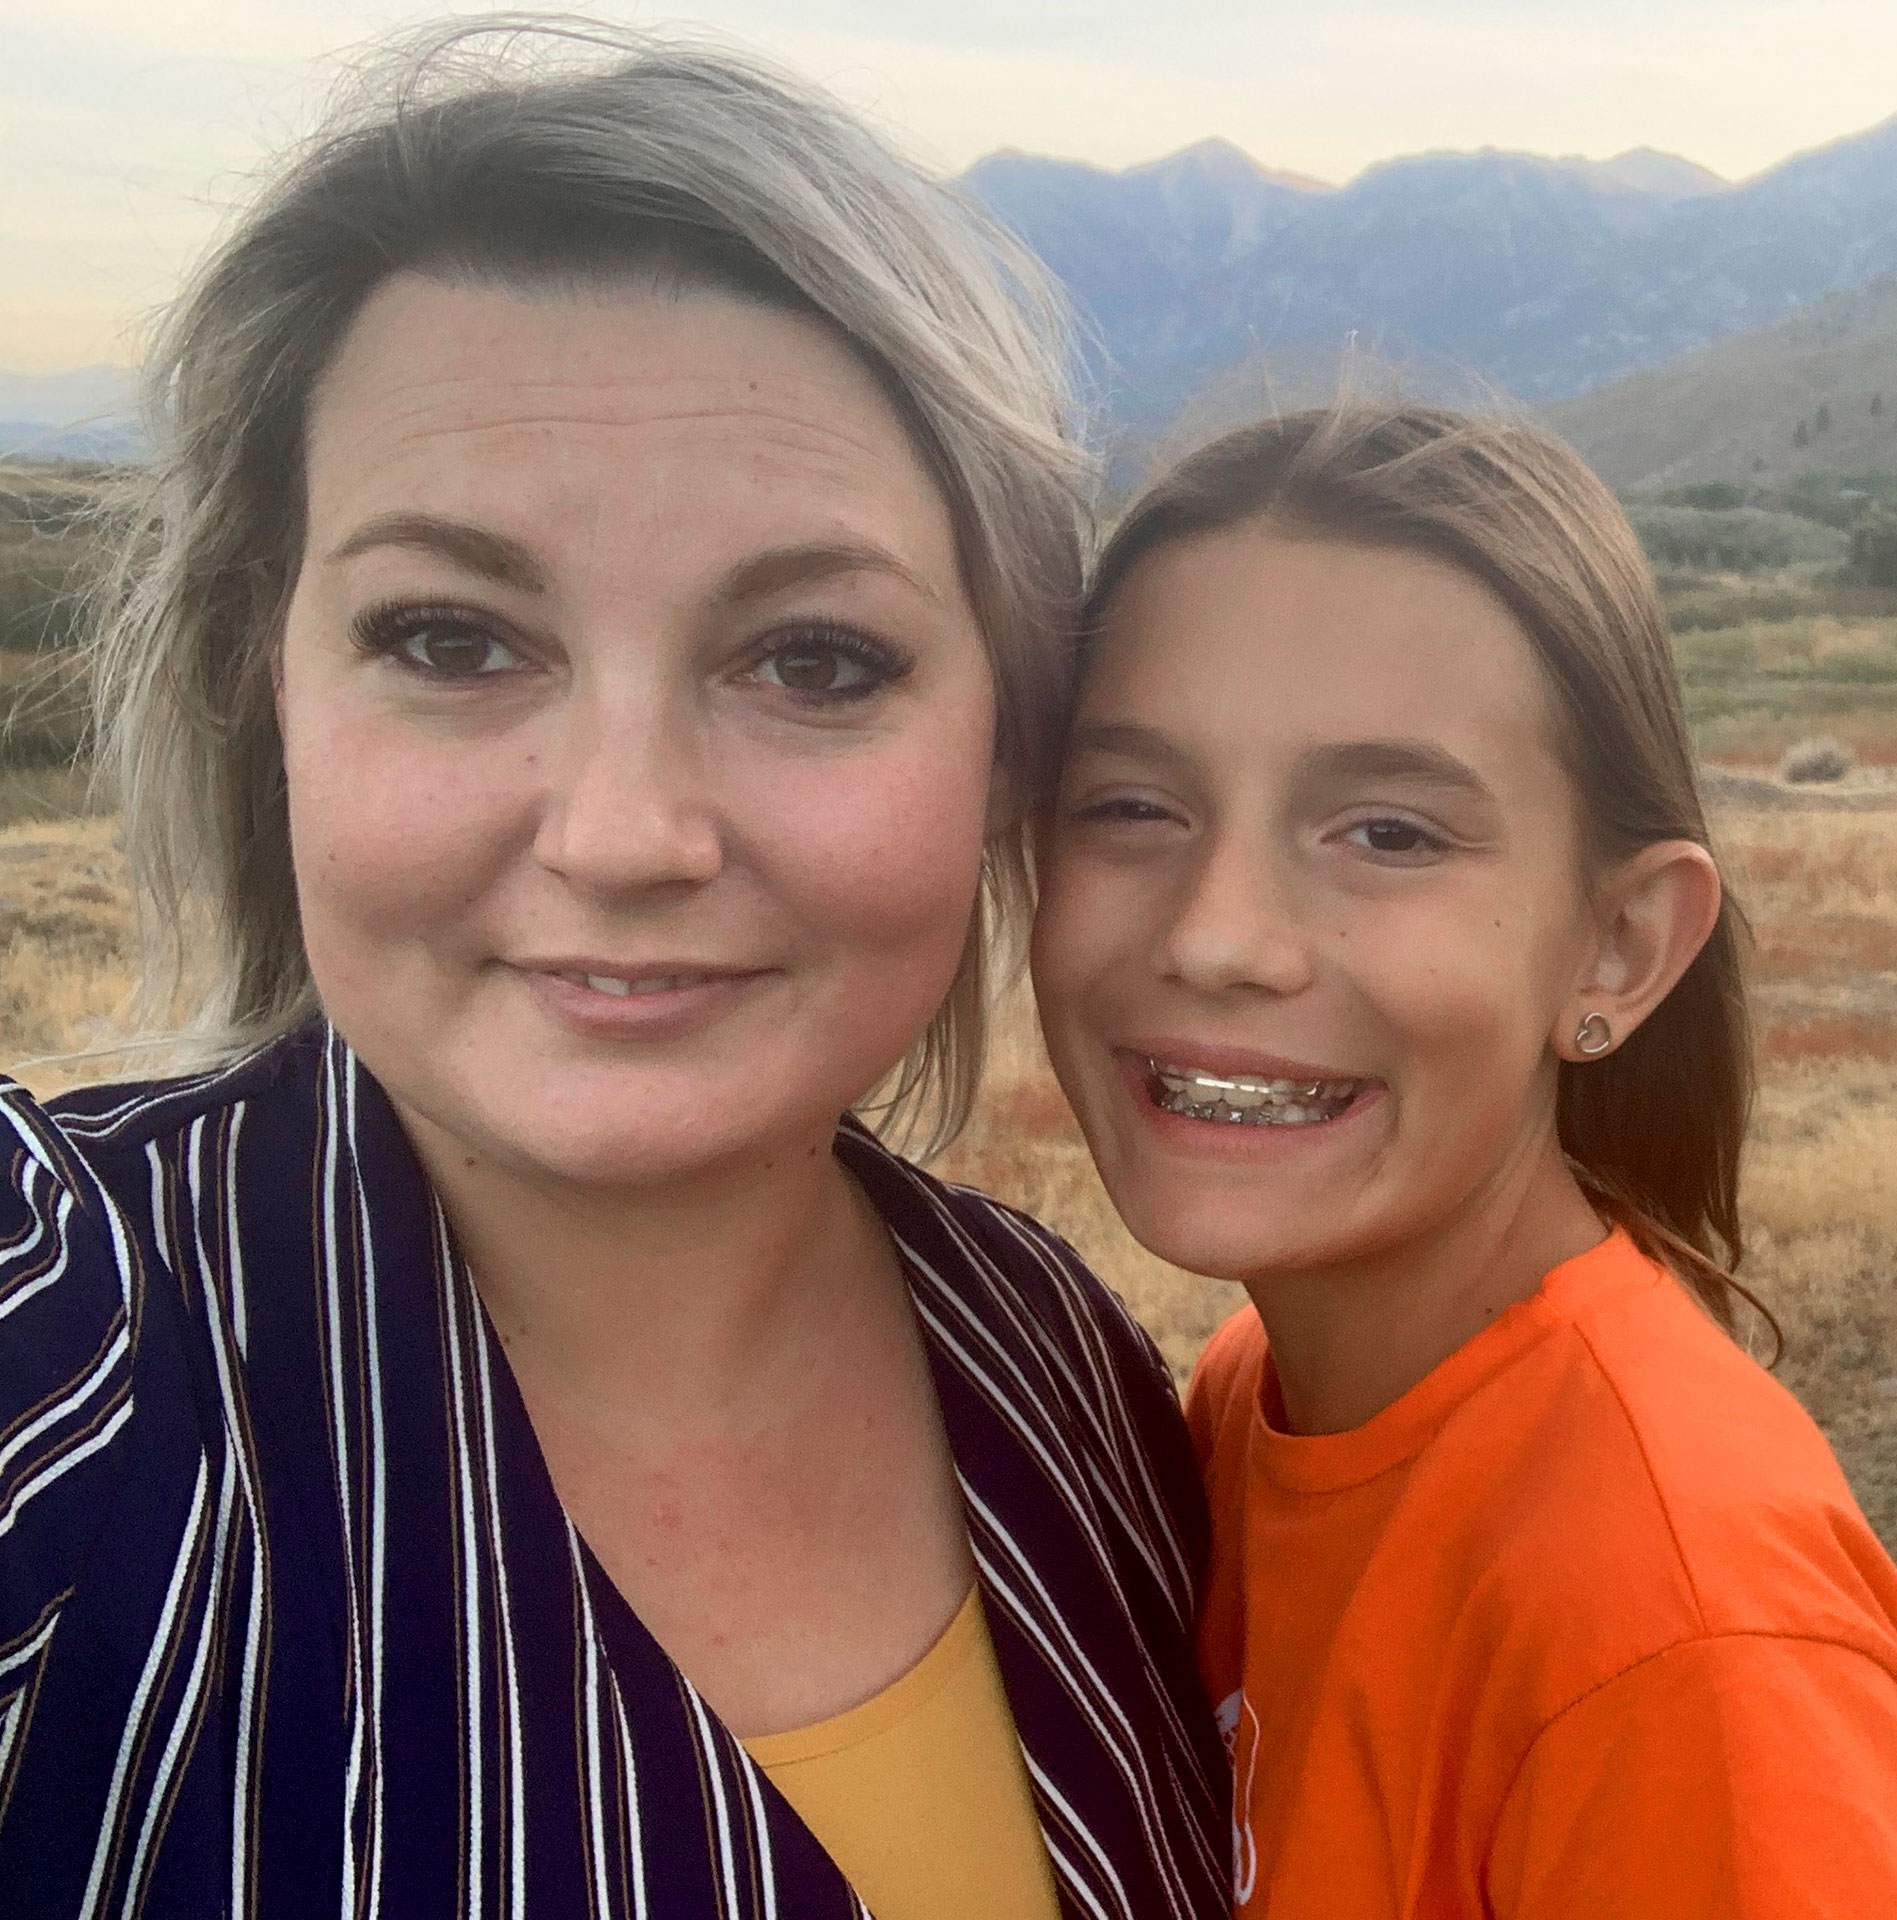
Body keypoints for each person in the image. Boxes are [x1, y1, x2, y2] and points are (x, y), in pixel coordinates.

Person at [0, 23, 1226, 1920]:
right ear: (274, 698)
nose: (626, 832)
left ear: (1005, 750)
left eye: (815, 660)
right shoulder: (53, 1348)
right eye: (450, 637)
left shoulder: (1070, 1371)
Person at [1031, 404, 1897, 1918]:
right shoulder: (1249, 1400)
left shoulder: (1681, 1649)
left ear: (1617, 944)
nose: (1214, 936)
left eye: (1390, 834)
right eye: (1133, 805)